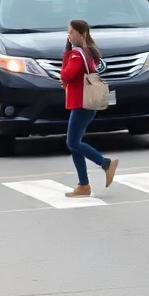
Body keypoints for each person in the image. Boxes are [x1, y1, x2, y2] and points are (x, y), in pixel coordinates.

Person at [60, 18, 118, 197]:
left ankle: (105, 163)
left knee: (72, 142)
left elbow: (66, 75)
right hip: (84, 103)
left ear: (81, 33)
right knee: (74, 144)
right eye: (68, 32)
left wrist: (67, 53)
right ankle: (83, 185)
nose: (68, 35)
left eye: (71, 32)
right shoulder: (87, 52)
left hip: (81, 103)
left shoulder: (77, 54)